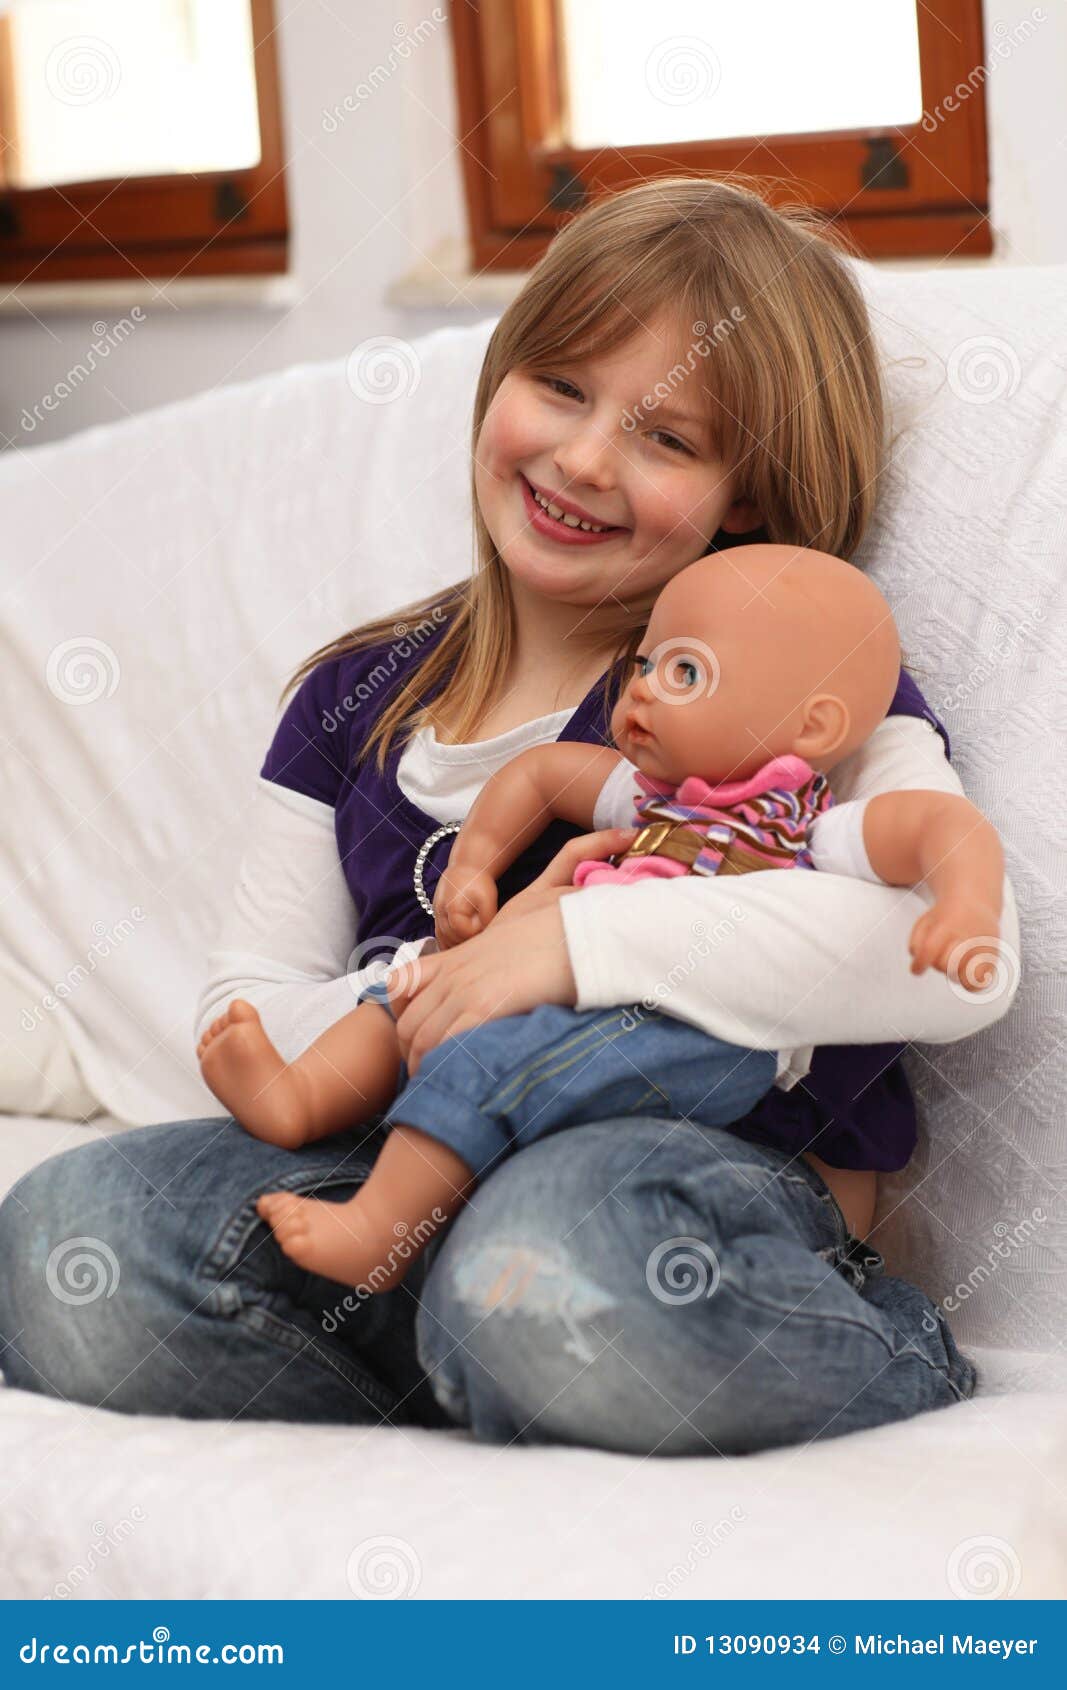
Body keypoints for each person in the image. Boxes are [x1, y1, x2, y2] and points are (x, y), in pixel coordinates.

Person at [0, 176, 1016, 1455]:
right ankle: (499, 1352)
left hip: (687, 1180)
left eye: (667, 438)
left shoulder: (790, 689)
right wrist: (437, 983)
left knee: (547, 1255)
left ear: (744, 498)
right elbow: (248, 991)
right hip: (406, 1167)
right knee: (55, 1244)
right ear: (500, 382)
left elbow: (955, 964)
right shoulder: (354, 693)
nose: (582, 459)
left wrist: (568, 949)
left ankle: (838, 1350)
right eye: (560, 387)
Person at [193, 546, 1005, 1295]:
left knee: (495, 1061)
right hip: (571, 1002)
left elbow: (940, 830)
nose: (643, 689)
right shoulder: (646, 795)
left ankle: (383, 1228)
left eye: (685, 672)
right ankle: (298, 1096)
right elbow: (541, 775)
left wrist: (965, 909)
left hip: (702, 1029)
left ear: (813, 725)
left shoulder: (805, 823)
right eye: (644, 665)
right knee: (408, 999)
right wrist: (473, 864)